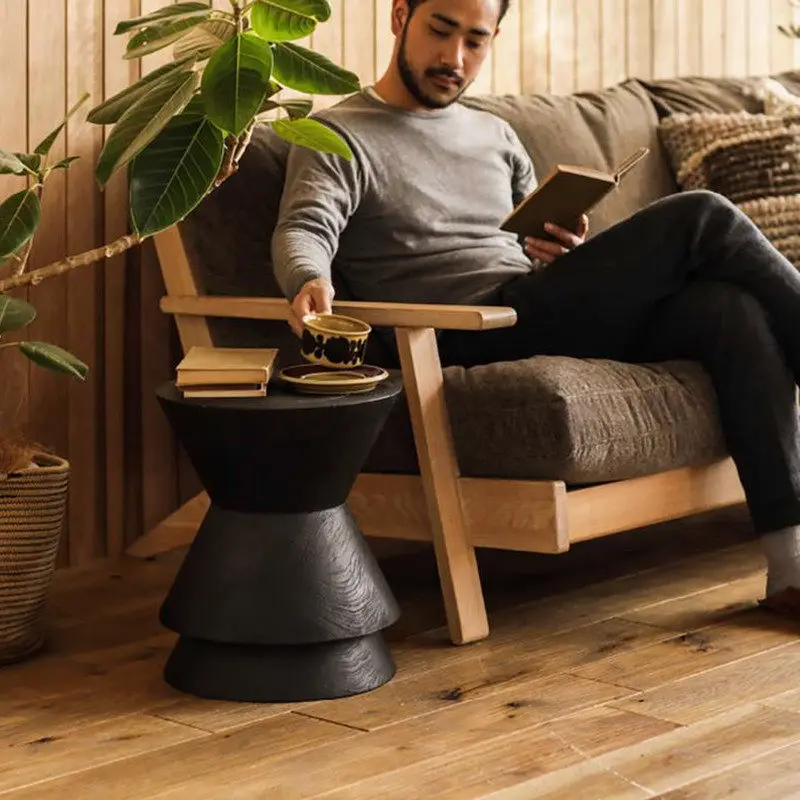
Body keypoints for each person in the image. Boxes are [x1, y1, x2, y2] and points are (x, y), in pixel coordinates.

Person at [271, 0, 800, 613]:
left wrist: (561, 247)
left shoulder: (494, 134)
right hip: (461, 330)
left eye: (476, 40)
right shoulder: (339, 133)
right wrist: (307, 277)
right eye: (440, 31)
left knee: (729, 308)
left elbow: (526, 243)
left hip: (531, 304)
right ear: (399, 18)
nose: (455, 58)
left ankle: (789, 573)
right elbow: (304, 226)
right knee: (702, 214)